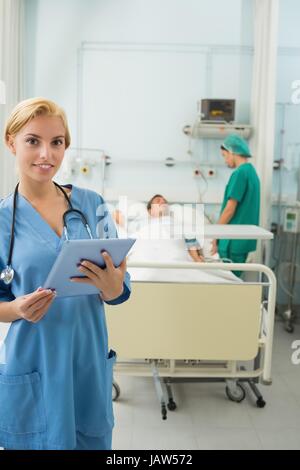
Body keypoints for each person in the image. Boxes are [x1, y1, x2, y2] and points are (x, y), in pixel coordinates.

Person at [0, 97, 131, 450]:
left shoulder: (92, 206)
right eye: (33, 141)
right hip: (34, 361)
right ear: (11, 142)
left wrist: (112, 286)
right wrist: (17, 309)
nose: (47, 153)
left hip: (86, 359)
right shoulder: (1, 221)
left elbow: (120, 291)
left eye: (57, 142)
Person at [211, 134, 260, 277]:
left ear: (232, 152)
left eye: (224, 155)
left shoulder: (239, 173)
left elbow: (229, 210)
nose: (225, 160)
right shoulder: (251, 172)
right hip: (243, 240)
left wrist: (215, 235)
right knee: (235, 281)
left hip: (233, 241)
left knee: (230, 283)